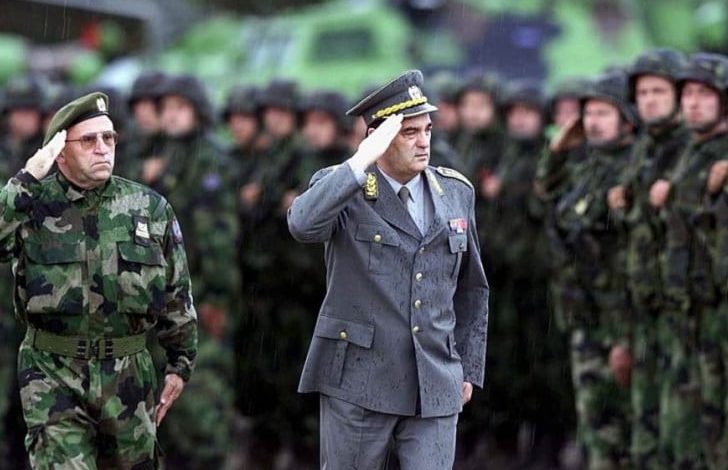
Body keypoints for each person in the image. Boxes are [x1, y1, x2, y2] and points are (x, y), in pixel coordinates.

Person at [288, 69, 489, 469]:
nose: (423, 142)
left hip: (434, 377)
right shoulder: (344, 188)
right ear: (377, 138)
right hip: (360, 377)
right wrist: (361, 161)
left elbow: (473, 288)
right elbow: (302, 224)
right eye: (409, 133)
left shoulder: (456, 192)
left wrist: (468, 366)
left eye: (427, 130)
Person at [0, 91, 197, 468]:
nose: (102, 148)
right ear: (60, 152)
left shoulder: (148, 207)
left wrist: (180, 363)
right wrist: (26, 178)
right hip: (54, 372)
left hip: (128, 376)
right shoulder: (32, 203)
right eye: (88, 140)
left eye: (109, 138)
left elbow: (176, 292)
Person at [606, 47, 689, 468]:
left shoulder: (692, 149)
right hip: (642, 313)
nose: (650, 100)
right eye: (643, 93)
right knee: (646, 433)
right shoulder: (643, 150)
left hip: (685, 315)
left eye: (659, 91)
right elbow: (630, 246)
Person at [552, 71, 637, 469]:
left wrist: (624, 334)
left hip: (617, 317)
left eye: (604, 113)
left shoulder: (632, 166)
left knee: (623, 429)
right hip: (584, 314)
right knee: (595, 426)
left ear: (626, 119)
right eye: (589, 113)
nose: (593, 122)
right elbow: (546, 199)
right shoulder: (587, 165)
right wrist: (556, 153)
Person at [648, 52, 728, 468]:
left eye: (705, 94)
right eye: (689, 94)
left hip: (717, 314)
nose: (694, 103)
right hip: (683, 311)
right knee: (684, 433)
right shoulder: (686, 152)